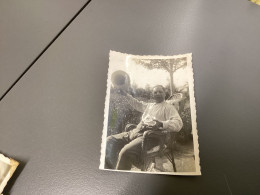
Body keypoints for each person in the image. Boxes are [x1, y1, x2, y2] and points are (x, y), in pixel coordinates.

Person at [105, 85, 183, 170]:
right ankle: (113, 168)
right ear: (152, 95)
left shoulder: (168, 107)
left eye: (160, 92)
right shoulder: (150, 106)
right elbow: (137, 104)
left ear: (165, 94)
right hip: (136, 131)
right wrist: (126, 95)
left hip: (150, 136)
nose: (157, 94)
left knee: (125, 152)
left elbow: (178, 123)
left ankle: (120, 175)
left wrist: (161, 124)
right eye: (155, 92)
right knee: (109, 140)